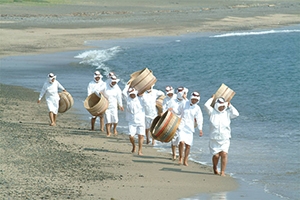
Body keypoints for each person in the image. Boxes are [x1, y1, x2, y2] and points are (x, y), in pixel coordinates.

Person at [204, 95, 239, 176]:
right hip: (214, 138)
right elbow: (206, 105)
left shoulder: (227, 113)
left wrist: (230, 105)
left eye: (223, 106)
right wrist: (212, 98)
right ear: (216, 105)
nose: (221, 108)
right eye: (220, 106)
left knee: (224, 154)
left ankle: (223, 171)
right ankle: (215, 167)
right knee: (216, 156)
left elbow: (236, 114)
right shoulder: (212, 112)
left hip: (225, 138)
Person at [177, 91, 203, 166]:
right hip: (182, 126)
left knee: (188, 145)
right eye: (193, 99)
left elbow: (199, 119)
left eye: (196, 100)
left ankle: (186, 160)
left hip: (190, 128)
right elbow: (178, 112)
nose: (194, 101)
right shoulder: (184, 103)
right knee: (181, 142)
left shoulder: (197, 108)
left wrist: (200, 129)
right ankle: (180, 158)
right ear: (191, 98)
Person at [122, 86, 146, 155]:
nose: (132, 95)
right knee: (131, 136)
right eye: (131, 94)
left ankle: (140, 150)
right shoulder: (128, 99)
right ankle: (134, 146)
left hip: (141, 120)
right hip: (131, 121)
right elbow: (123, 92)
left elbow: (147, 102)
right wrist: (128, 84)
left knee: (141, 136)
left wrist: (142, 94)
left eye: (133, 94)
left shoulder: (140, 99)